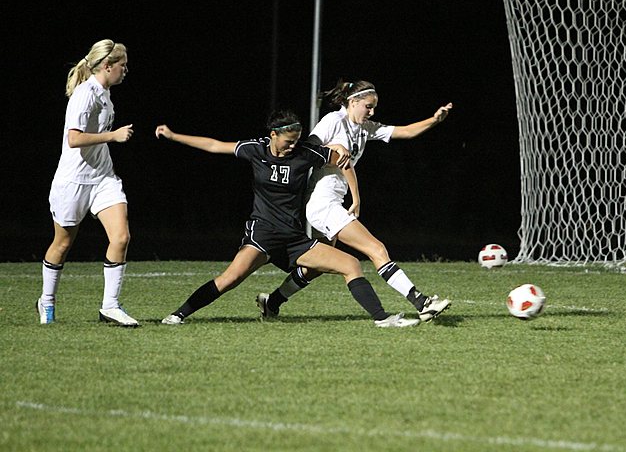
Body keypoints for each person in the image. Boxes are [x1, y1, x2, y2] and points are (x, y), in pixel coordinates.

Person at [155, 111, 419, 328]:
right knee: (229, 279)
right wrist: (173, 135)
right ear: (273, 135)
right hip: (263, 235)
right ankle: (178, 314)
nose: (293, 145)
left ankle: (383, 319)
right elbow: (214, 145)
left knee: (351, 264)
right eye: (288, 141)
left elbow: (342, 159)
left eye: (297, 140)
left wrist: (354, 194)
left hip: (293, 238)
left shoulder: (305, 153)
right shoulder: (255, 149)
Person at [257, 79, 453, 323]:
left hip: (330, 203)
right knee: (376, 248)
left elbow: (404, 131)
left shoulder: (363, 128)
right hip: (323, 203)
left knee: (315, 267)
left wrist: (434, 120)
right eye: (368, 107)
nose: (372, 112)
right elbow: (306, 150)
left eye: (373, 108)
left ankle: (272, 302)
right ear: (353, 102)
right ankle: (421, 302)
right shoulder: (333, 121)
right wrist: (335, 148)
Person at [37, 39, 138, 326]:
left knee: (121, 237)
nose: (125, 70)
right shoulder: (85, 95)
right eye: (122, 65)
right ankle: (46, 301)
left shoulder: (105, 93)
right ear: (108, 66)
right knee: (63, 243)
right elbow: (74, 139)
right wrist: (113, 136)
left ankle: (110, 306)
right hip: (73, 181)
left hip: (103, 178)